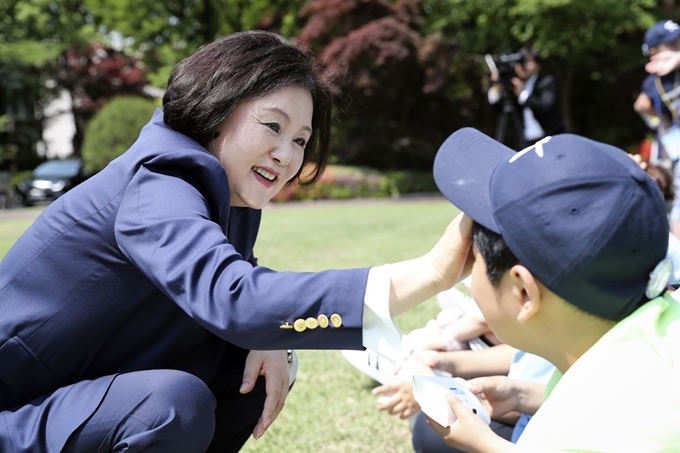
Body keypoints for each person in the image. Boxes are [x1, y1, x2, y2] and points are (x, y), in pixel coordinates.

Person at [0, 31, 472, 453]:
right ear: (217, 106)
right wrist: (431, 273)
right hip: (14, 412)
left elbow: (237, 295)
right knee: (169, 407)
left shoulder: (226, 190)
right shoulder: (159, 179)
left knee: (253, 365)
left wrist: (267, 339)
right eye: (273, 127)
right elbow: (235, 299)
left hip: (75, 389)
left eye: (301, 140)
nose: (286, 155)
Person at [422, 129, 680, 452]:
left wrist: (489, 447)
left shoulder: (561, 435)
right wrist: (522, 395)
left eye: (473, 256)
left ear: (523, 293)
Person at [634, 19, 680, 238]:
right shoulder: (653, 81)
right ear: (653, 52)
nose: (678, 46)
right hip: (669, 151)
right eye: (672, 44)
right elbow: (641, 104)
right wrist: (659, 119)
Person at [487, 47, 564, 148]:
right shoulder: (516, 85)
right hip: (526, 143)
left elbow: (546, 107)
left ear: (538, 64)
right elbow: (499, 107)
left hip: (549, 140)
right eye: (523, 62)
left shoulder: (546, 82)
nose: (525, 65)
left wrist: (522, 94)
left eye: (529, 61)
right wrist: (497, 85)